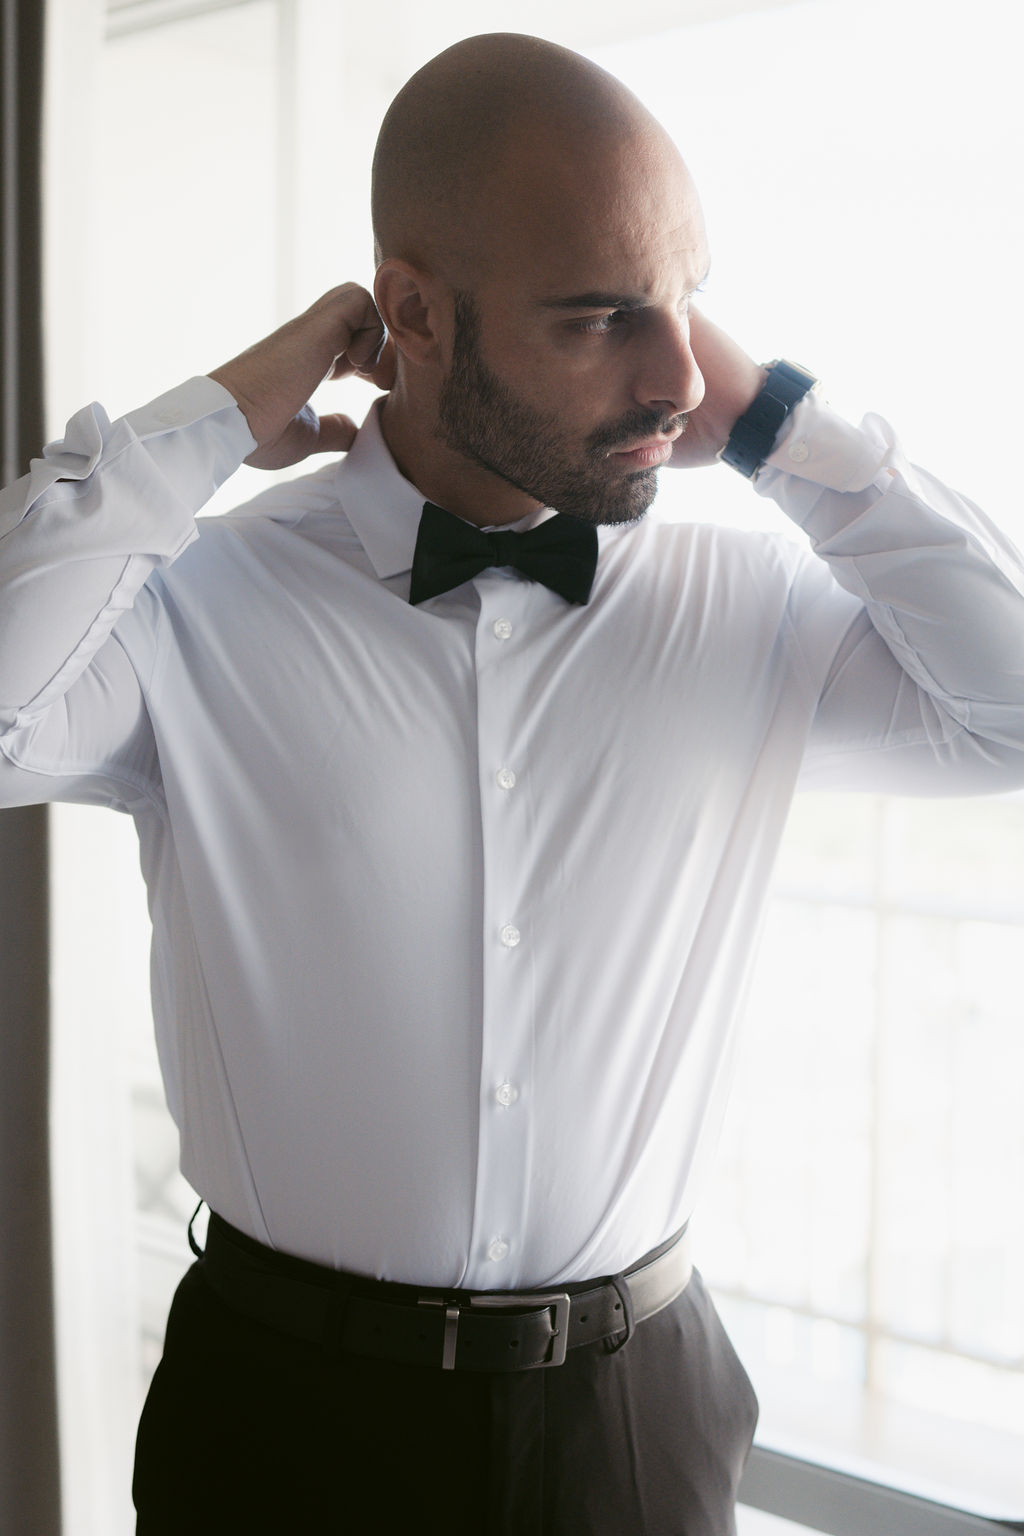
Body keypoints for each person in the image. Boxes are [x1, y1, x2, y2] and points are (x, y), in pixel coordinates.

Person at [3, 30, 1024, 1536]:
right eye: (602, 316)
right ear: (413, 311)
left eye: (686, 302)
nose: (674, 373)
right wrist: (213, 418)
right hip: (282, 1421)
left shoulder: (751, 615)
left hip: (630, 1420)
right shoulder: (193, 609)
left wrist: (774, 421)